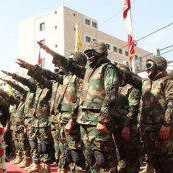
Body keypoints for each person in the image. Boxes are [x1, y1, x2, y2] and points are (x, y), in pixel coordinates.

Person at [39, 41, 119, 172]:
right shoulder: (88, 71)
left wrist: (103, 120)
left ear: (100, 53)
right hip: (84, 120)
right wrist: (50, 51)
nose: (88, 56)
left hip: (97, 121)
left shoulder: (108, 68)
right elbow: (69, 64)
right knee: (89, 156)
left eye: (90, 53)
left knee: (103, 158)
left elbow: (111, 95)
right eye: (86, 54)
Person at [125, 55, 173, 173]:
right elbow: (129, 78)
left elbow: (172, 102)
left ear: (158, 66)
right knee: (153, 160)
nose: (146, 69)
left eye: (149, 65)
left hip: (162, 129)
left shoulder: (167, 82)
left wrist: (167, 124)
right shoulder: (145, 83)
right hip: (147, 129)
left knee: (165, 162)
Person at [112, 64, 141, 173]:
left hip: (128, 129)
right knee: (121, 158)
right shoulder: (117, 88)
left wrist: (127, 126)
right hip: (116, 128)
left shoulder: (132, 87)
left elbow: (133, 108)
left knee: (131, 157)